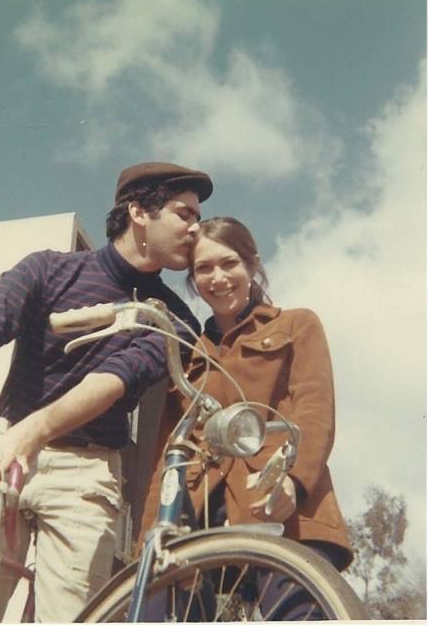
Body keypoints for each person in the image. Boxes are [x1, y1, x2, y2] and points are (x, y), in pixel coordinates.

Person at [0, 162, 213, 622]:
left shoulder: (175, 319)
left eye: (197, 217)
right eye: (183, 213)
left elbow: (114, 380)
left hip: (85, 474)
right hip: (1, 455)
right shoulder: (48, 270)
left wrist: (33, 432)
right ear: (138, 212)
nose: (196, 227)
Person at [139, 216, 353, 620]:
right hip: (196, 522)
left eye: (229, 263)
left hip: (285, 508)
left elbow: (315, 410)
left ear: (252, 264)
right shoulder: (188, 354)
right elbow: (169, 452)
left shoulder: (296, 324)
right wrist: (151, 536)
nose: (217, 278)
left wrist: (293, 480)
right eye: (203, 268)